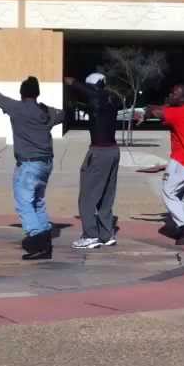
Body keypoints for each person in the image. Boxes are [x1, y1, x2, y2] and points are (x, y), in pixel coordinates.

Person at [0, 77, 64, 260]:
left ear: (22, 93)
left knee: (24, 203)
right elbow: (62, 115)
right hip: (46, 163)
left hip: (29, 164)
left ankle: (37, 241)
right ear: (37, 93)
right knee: (38, 201)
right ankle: (45, 237)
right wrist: (46, 110)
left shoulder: (16, 108)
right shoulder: (46, 112)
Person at [64, 72, 123, 249]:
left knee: (87, 197)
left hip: (99, 153)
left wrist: (69, 80)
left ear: (92, 86)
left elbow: (74, 82)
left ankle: (90, 235)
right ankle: (106, 234)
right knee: (106, 195)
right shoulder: (112, 99)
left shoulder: (96, 97)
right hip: (113, 151)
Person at [142, 84, 184, 245]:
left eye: (174, 94)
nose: (170, 95)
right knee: (181, 193)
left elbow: (157, 112)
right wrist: (159, 105)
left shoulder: (179, 113)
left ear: (183, 98)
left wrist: (148, 111)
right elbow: (163, 109)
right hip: (182, 158)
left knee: (168, 192)